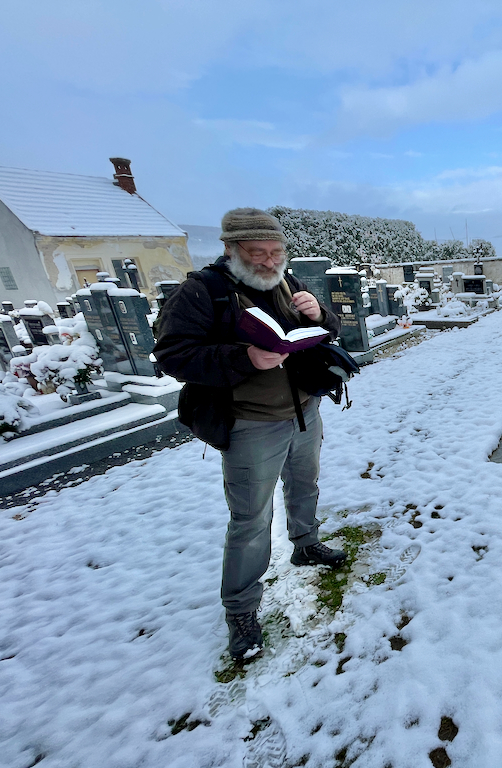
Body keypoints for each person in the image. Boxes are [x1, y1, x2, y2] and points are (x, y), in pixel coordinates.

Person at [153, 208, 346, 662]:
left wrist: (321, 314)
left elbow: (326, 331)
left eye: (276, 252)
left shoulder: (286, 282)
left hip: (304, 410)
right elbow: (171, 356)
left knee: (305, 485)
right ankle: (240, 610)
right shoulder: (201, 291)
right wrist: (244, 358)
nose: (269, 261)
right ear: (230, 248)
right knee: (251, 519)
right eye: (258, 253)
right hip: (250, 423)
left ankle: (306, 545)